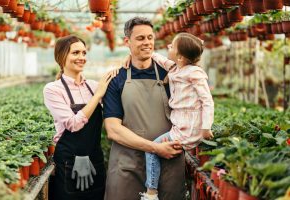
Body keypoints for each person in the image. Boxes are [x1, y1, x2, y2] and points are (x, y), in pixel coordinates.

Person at [103, 17, 186, 200]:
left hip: (168, 161)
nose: (147, 42)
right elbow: (113, 130)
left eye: (150, 37)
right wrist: (155, 148)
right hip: (128, 163)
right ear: (127, 42)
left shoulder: (171, 76)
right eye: (140, 38)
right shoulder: (117, 80)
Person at [140, 33, 215, 200]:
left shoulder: (194, 73)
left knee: (152, 149)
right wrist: (146, 51)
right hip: (180, 124)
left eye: (172, 46)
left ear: (180, 57)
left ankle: (151, 192)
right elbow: (161, 59)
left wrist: (206, 127)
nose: (168, 47)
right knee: (158, 149)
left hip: (188, 128)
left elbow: (207, 101)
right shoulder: (176, 68)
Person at [43, 35, 117, 200]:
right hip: (68, 161)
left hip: (94, 158)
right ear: (62, 57)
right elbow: (73, 124)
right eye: (75, 53)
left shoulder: (92, 86)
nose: (82, 57)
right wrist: (98, 95)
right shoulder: (53, 89)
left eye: (84, 53)